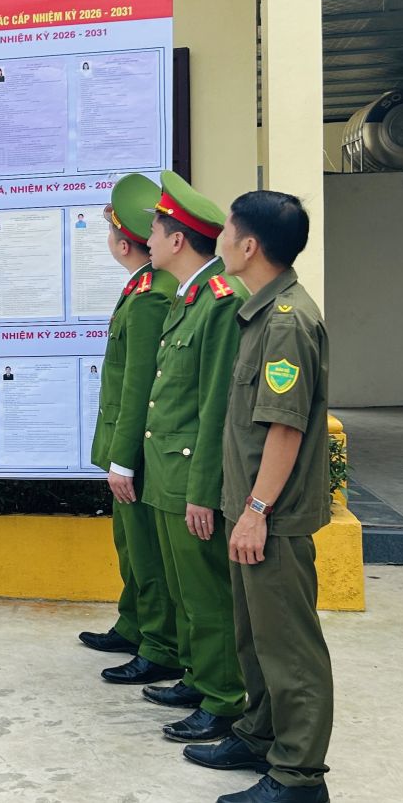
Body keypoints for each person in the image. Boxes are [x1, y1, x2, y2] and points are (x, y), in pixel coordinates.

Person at [184, 191, 333, 803]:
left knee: (289, 645)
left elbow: (284, 429)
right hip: (252, 510)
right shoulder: (260, 313)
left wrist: (256, 512)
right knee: (256, 636)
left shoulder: (286, 323)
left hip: (273, 515)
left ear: (248, 246)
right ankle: (260, 734)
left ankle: (299, 777)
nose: (219, 240)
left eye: (226, 231)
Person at [116, 170, 246, 745]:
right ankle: (197, 676)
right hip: (167, 470)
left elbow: (216, 406)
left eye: (155, 231)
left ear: (177, 239)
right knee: (184, 589)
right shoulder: (190, 298)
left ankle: (223, 699)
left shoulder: (218, 302)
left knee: (206, 594)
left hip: (189, 474)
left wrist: (202, 490)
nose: (146, 240)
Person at [77, 176, 182, 702]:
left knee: (146, 551)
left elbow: (140, 383)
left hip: (137, 449)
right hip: (126, 444)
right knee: (129, 544)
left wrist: (124, 459)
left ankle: (159, 647)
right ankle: (134, 623)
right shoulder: (143, 287)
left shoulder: (151, 297)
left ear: (123, 245)